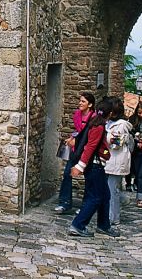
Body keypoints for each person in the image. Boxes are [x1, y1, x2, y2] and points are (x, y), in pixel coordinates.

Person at [68, 97, 119, 238]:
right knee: (95, 197)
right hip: (95, 166)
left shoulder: (96, 124)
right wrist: (80, 166)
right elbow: (90, 146)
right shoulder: (99, 126)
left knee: (104, 195)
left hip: (96, 166)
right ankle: (78, 225)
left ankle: (103, 225)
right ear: (110, 114)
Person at [54, 92, 96, 214]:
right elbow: (78, 131)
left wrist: (76, 141)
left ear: (90, 104)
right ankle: (65, 203)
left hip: (86, 151)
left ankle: (85, 206)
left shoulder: (93, 118)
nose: (80, 103)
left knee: (89, 177)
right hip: (75, 151)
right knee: (67, 174)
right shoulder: (77, 115)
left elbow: (88, 135)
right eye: (80, 101)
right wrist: (72, 138)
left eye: (83, 101)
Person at [103, 96, 132, 225]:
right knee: (108, 188)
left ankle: (113, 217)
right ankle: (122, 199)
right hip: (108, 159)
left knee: (112, 190)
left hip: (117, 160)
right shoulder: (108, 123)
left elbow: (117, 143)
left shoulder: (121, 125)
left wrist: (104, 138)